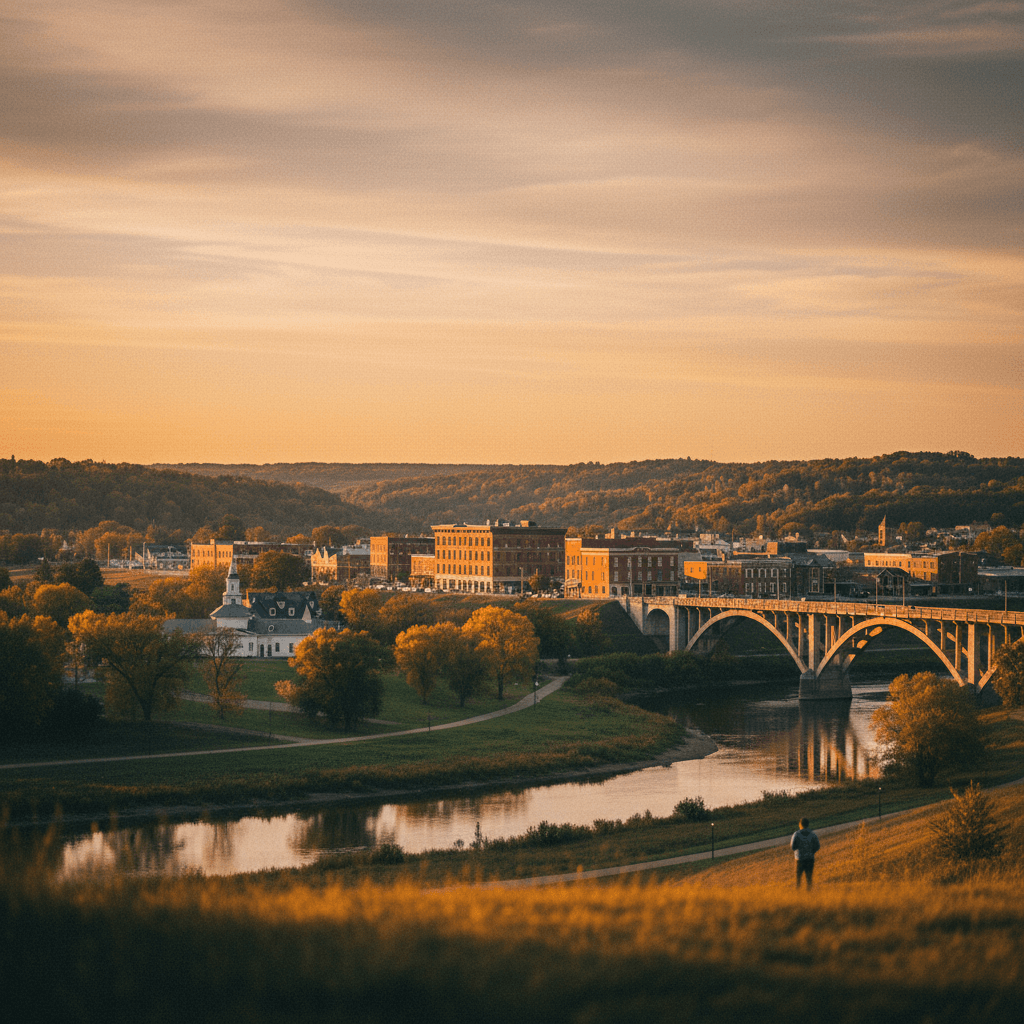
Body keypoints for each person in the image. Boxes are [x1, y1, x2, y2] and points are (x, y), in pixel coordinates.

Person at [791, 817, 820, 889]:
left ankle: (798, 895)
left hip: (799, 859)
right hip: (810, 859)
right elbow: (817, 846)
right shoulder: (812, 834)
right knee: (809, 879)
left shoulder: (796, 834)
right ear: (808, 824)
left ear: (800, 824)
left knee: (798, 880)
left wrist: (798, 850)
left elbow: (792, 846)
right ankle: (809, 895)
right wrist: (812, 851)